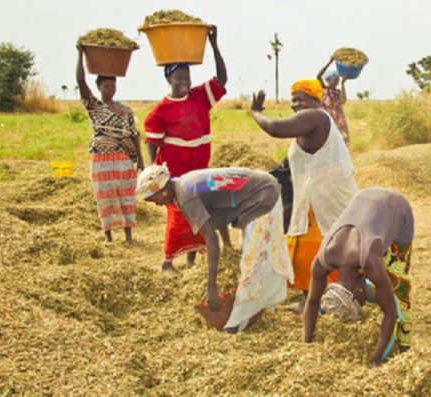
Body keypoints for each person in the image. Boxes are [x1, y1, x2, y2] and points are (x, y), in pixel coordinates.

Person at [136, 164, 293, 332]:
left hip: (263, 197)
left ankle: (237, 322)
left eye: (154, 199)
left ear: (163, 190)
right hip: (261, 189)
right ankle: (252, 309)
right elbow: (216, 210)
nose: (157, 205)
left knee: (254, 260)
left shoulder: (186, 196)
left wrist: (212, 287)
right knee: (255, 257)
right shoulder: (183, 184)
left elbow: (211, 238)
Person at [250, 79, 358, 313]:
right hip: (313, 198)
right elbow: (292, 161)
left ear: (316, 99)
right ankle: (311, 299)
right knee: (304, 252)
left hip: (327, 199)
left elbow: (276, 128)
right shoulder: (308, 126)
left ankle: (329, 300)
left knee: (323, 250)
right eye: (293, 100)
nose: (295, 104)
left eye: (300, 98)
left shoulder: (316, 116)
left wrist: (256, 112)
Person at [144, 24, 229, 275]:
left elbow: (222, 80)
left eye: (187, 77)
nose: (184, 81)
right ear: (169, 79)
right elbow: (152, 143)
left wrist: (214, 45)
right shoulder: (161, 110)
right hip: (176, 175)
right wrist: (156, 172)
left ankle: (191, 261)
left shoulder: (199, 96)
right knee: (178, 217)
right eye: (178, 77)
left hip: (199, 170)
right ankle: (167, 262)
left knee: (199, 214)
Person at [302, 188, 414, 365]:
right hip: (364, 197)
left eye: (360, 304)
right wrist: (306, 344)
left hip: (396, 206)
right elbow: (312, 301)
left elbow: (390, 313)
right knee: (377, 275)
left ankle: (405, 347)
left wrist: (376, 358)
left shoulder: (370, 262)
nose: (364, 305)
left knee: (398, 287)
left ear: (357, 290)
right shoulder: (322, 259)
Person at [76, 44, 144, 243]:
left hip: (124, 158)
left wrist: (140, 160)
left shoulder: (125, 110)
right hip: (102, 158)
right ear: (98, 88)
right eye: (106, 86)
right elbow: (80, 81)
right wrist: (80, 54)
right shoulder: (95, 106)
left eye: (113, 86)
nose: (110, 89)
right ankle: (108, 237)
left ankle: (128, 235)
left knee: (126, 194)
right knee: (105, 195)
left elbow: (134, 135)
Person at [317, 57, 349, 145]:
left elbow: (343, 101)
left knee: (338, 142)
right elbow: (319, 76)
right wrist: (329, 62)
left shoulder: (338, 92)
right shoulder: (324, 89)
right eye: (334, 79)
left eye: (337, 80)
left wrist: (343, 83)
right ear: (328, 80)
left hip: (338, 120)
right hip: (326, 119)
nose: (336, 81)